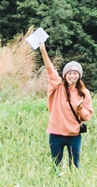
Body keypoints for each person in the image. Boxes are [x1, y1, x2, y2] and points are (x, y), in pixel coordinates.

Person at [39, 40, 93, 168]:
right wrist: (43, 52)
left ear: (79, 76)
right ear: (65, 75)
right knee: (56, 166)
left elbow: (87, 117)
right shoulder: (58, 87)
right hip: (56, 134)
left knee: (75, 166)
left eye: (75, 74)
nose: (72, 76)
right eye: (69, 73)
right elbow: (50, 69)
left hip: (74, 136)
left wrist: (80, 109)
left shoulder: (84, 93)